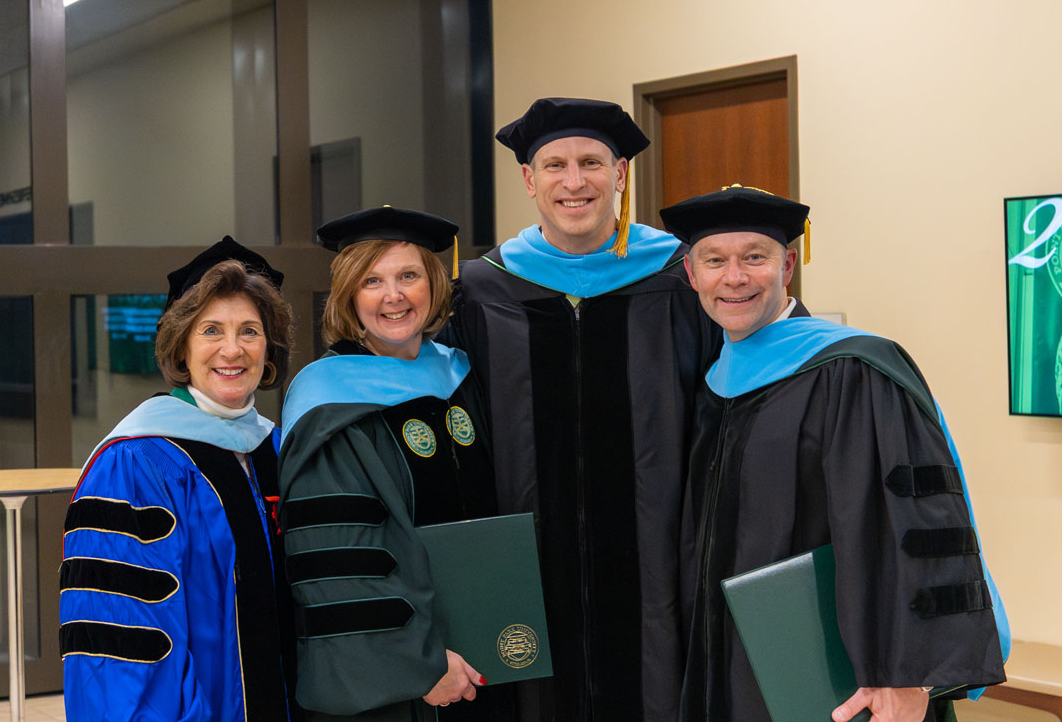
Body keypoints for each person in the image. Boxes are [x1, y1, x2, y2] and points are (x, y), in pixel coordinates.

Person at [659, 185, 1011, 722]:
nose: (734, 278)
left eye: (755, 257)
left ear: (788, 265)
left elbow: (913, 525)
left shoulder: (856, 369)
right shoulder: (709, 385)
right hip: (733, 663)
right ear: (692, 275)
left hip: (848, 677)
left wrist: (908, 674)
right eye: (714, 261)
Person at [441, 97, 721, 720]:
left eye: (592, 162)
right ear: (528, 180)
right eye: (555, 165)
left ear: (620, 172)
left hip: (662, 566)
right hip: (525, 568)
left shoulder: (683, 279)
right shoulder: (482, 290)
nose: (575, 181)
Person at [278, 207, 513, 722]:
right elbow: (337, 559)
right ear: (348, 297)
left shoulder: (461, 376)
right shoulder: (327, 405)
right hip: (403, 681)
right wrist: (422, 664)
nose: (394, 296)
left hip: (483, 657)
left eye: (409, 276)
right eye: (372, 281)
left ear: (432, 284)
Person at [59, 236, 299, 722]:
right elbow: (126, 639)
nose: (232, 349)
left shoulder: (276, 449)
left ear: (267, 348)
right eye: (211, 330)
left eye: (249, 331)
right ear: (181, 347)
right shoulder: (137, 463)